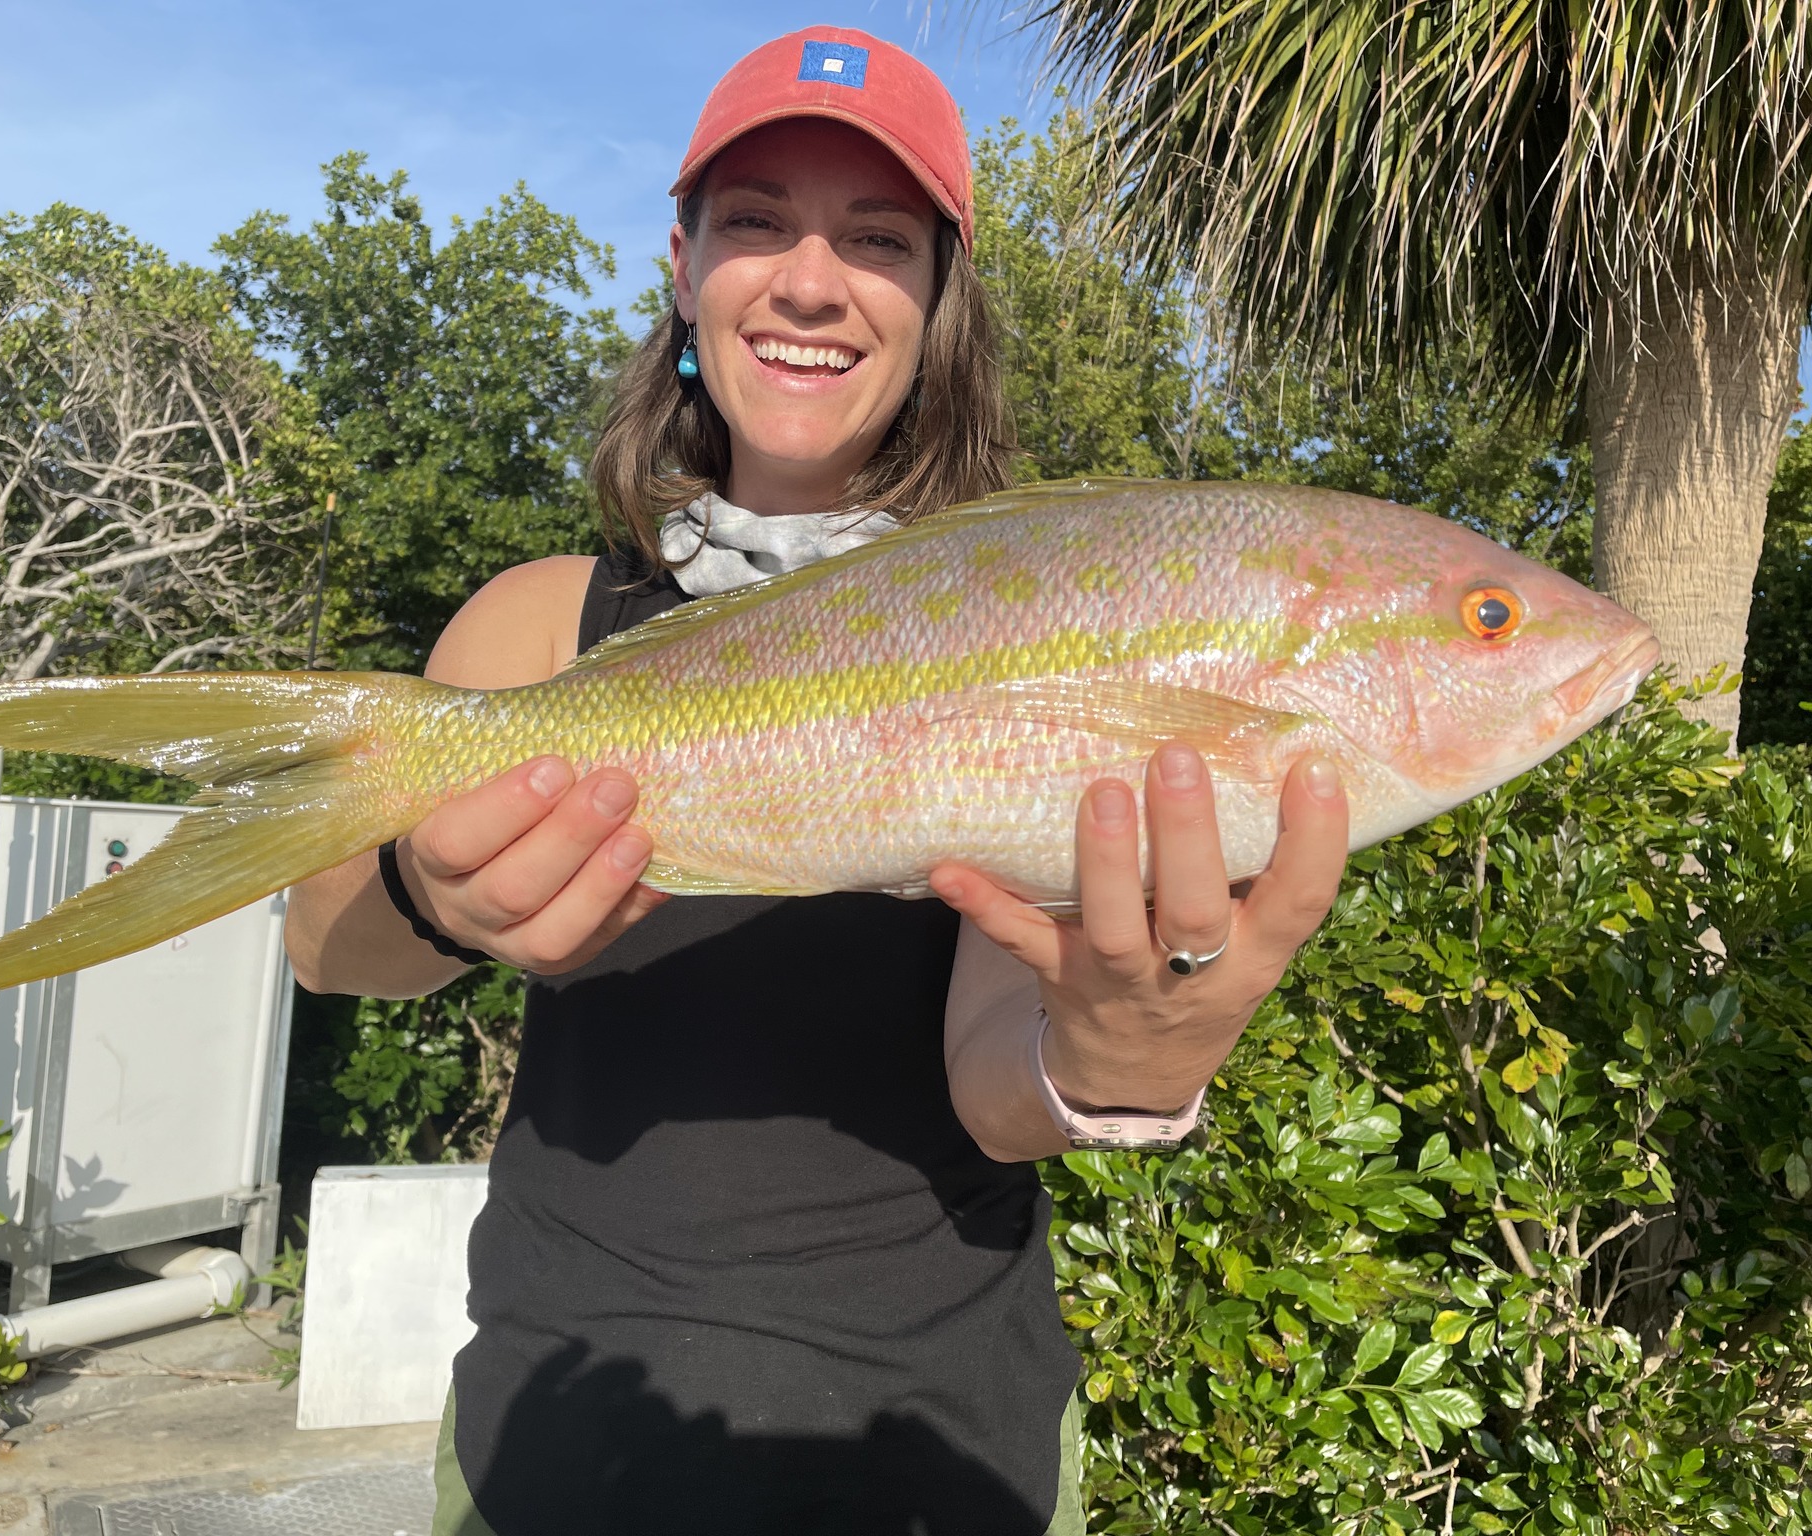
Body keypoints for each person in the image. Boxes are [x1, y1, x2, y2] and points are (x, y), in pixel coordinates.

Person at [284, 26, 1348, 1536]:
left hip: (933, 1452)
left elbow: (997, 1084)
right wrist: (428, 892)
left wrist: (1124, 1060)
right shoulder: (536, 623)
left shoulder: (1031, 629)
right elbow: (326, 954)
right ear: (682, 263)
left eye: (875, 238)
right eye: (756, 220)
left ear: (936, 301)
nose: (806, 278)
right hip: (553, 1435)